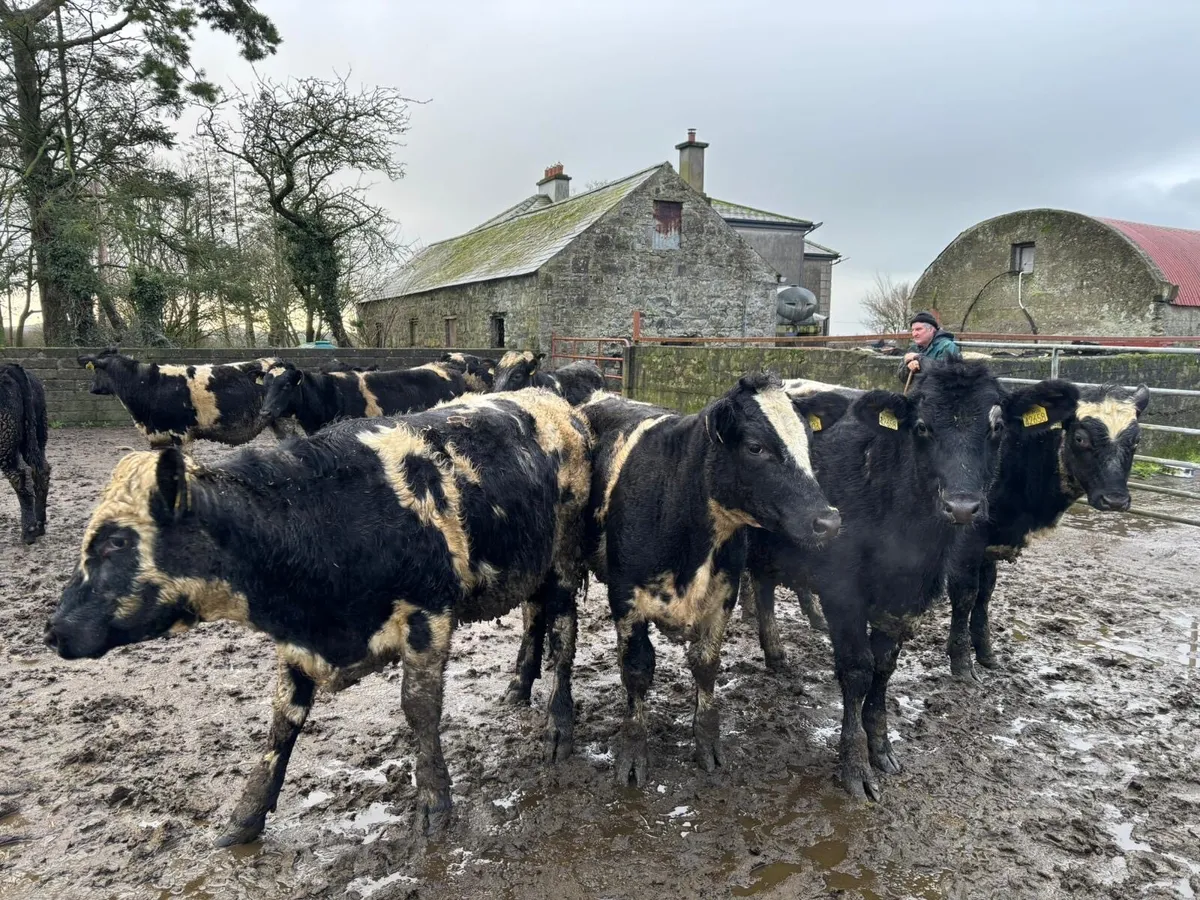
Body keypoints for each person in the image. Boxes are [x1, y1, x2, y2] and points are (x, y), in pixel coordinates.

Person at [898, 311, 960, 382]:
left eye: (919, 329)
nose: (914, 334)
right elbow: (902, 378)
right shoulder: (913, 348)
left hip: (941, 392)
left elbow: (945, 375)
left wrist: (919, 359)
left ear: (931, 329)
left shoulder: (947, 346)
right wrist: (908, 367)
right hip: (918, 390)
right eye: (913, 330)